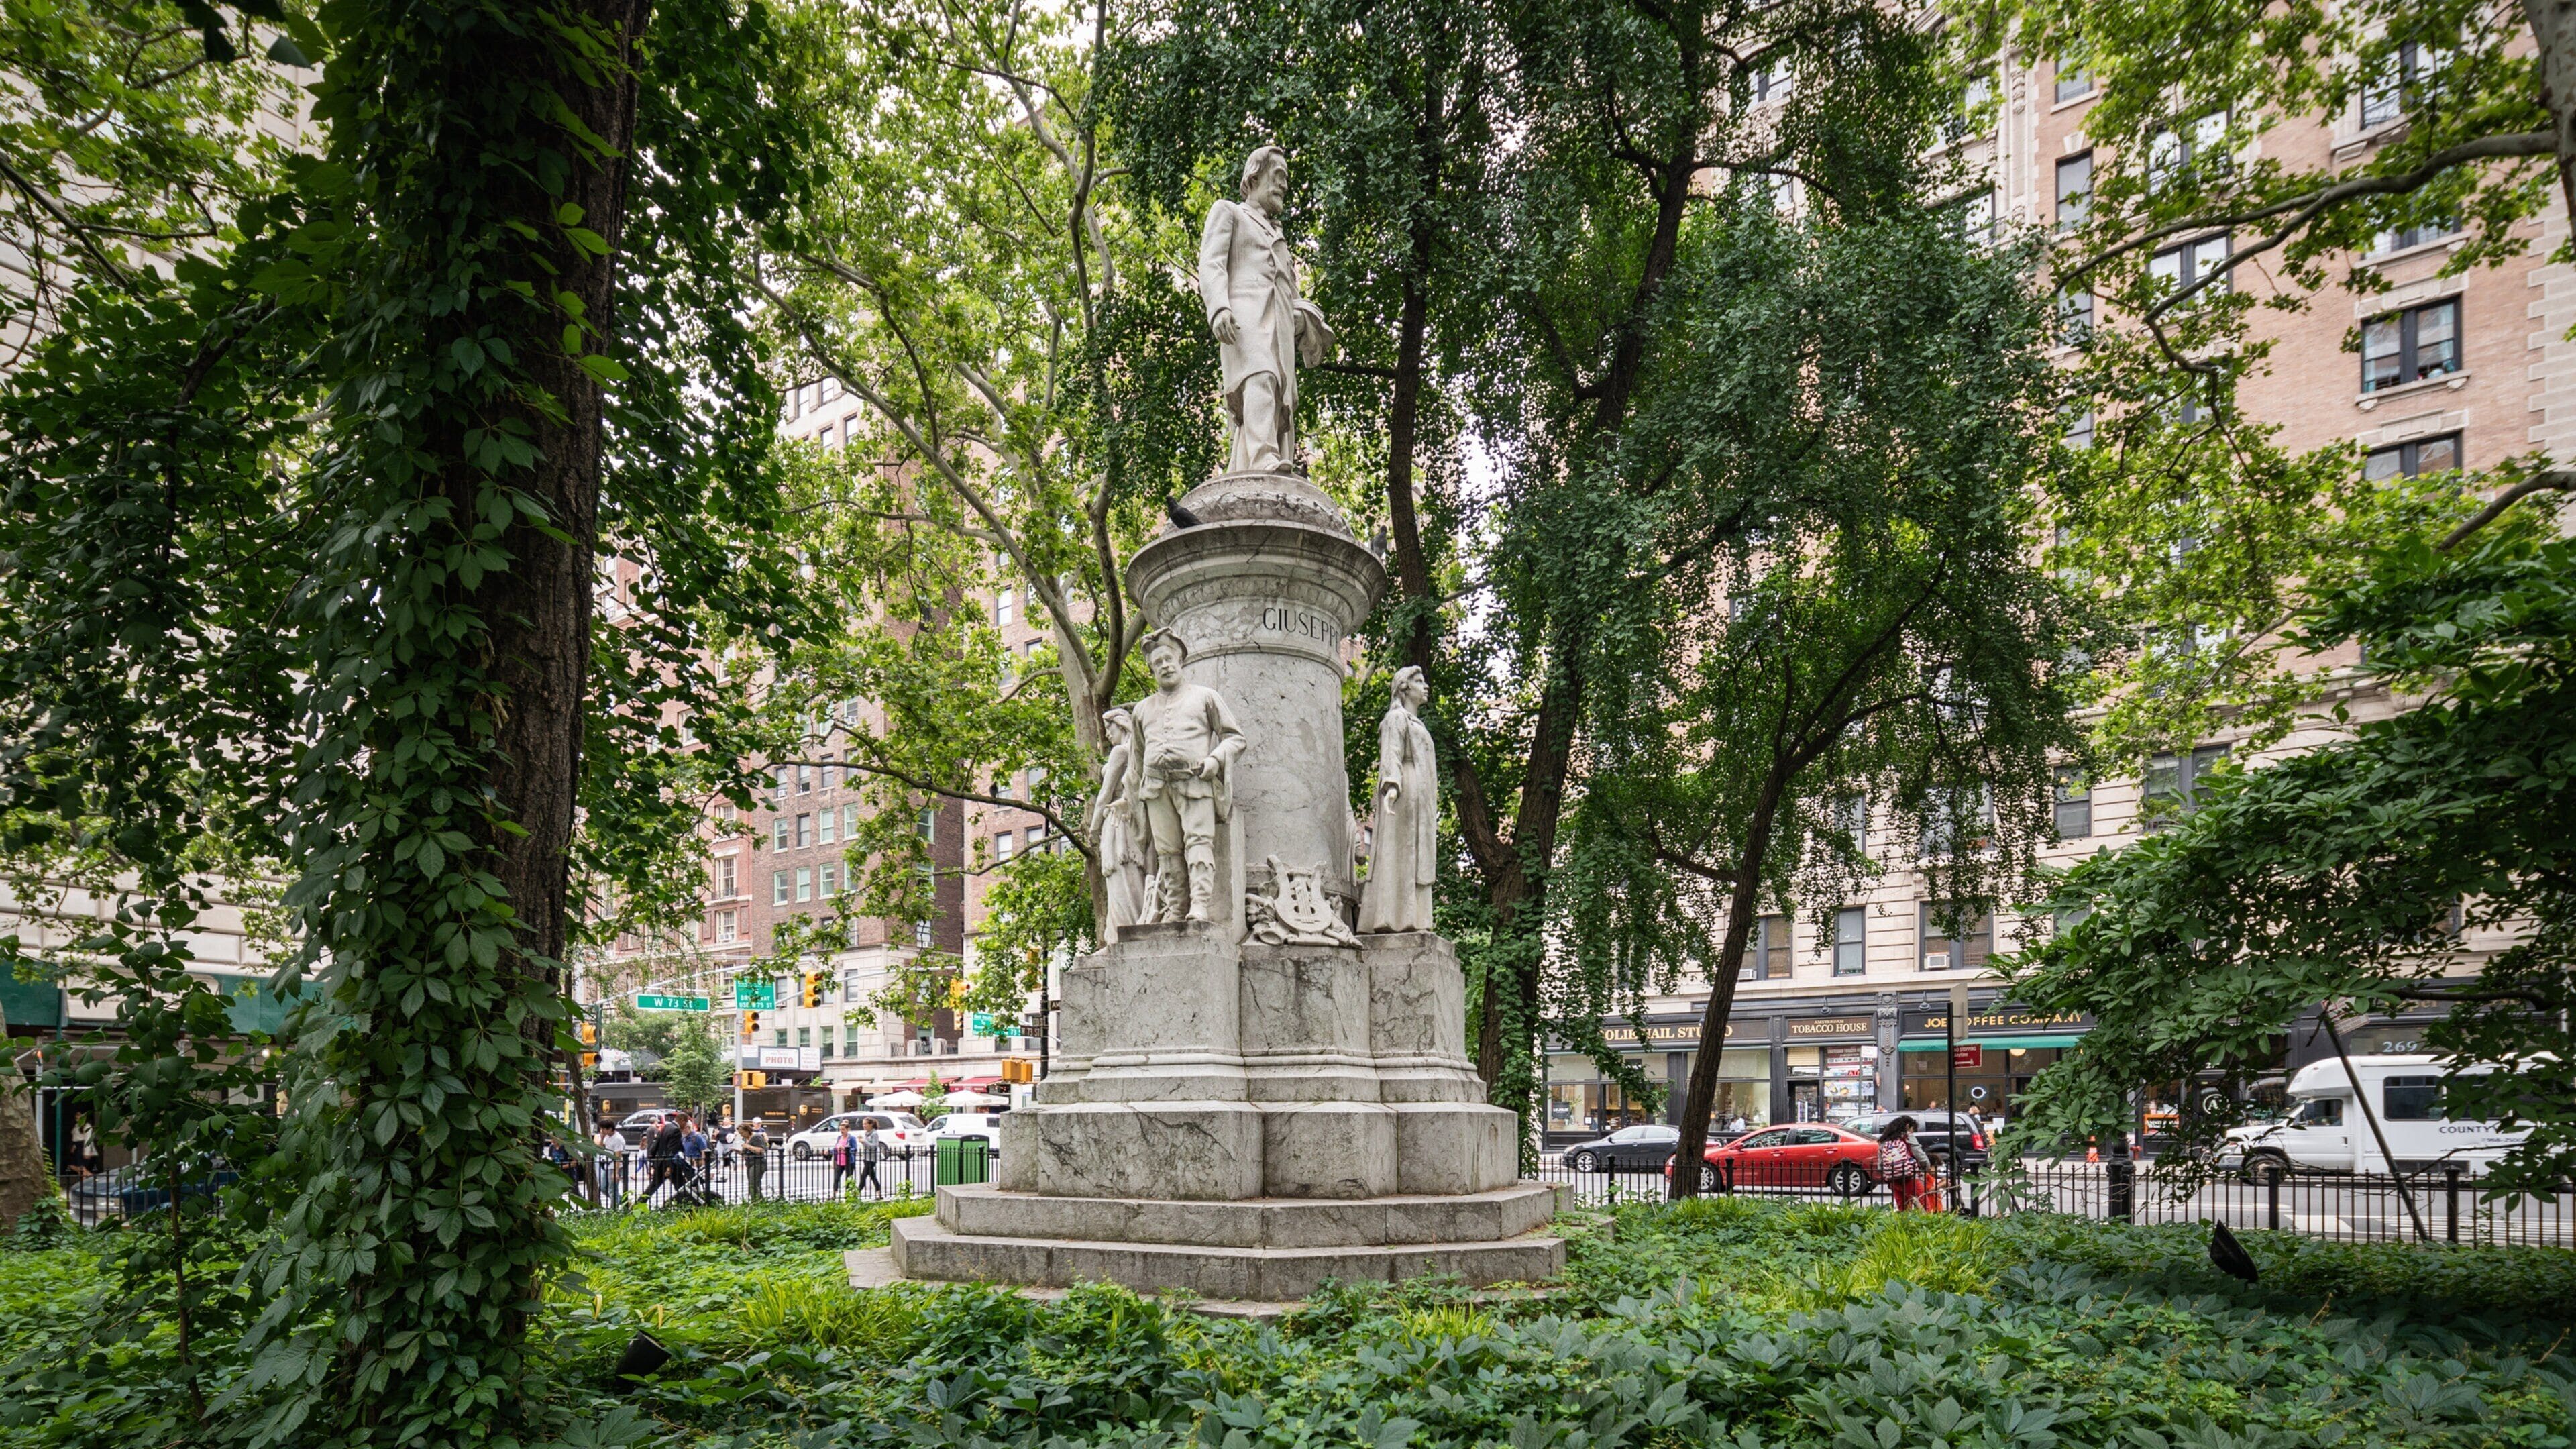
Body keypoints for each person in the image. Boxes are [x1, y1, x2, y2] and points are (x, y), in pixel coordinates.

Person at [1877, 1115, 1935, 1212]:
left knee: (1903, 1209)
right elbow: (1919, 1153)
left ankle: (1906, 1226)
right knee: (1925, 1207)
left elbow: (1880, 1165)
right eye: (1913, 1129)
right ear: (1908, 1126)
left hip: (1894, 1180)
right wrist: (1927, 1166)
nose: (1912, 1132)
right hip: (1910, 1178)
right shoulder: (1907, 1137)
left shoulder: (1884, 1142)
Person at [596, 1124, 627, 1208]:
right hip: (607, 1165)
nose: (602, 1131)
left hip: (613, 1166)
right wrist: (602, 1138)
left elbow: (618, 1156)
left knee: (612, 1190)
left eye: (603, 1129)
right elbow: (600, 1148)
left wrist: (616, 1172)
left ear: (610, 1129)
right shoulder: (607, 1136)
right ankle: (623, 1202)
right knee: (603, 1188)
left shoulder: (618, 1139)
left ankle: (614, 1209)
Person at [743, 1119, 770, 1203]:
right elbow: (744, 1152)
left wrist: (748, 1147)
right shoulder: (746, 1139)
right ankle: (760, 1201)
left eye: (742, 1133)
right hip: (749, 1162)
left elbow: (762, 1150)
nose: (741, 1135)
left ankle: (756, 1202)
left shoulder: (757, 1136)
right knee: (753, 1184)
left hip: (757, 1163)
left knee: (753, 1184)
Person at [856, 1126, 885, 1199]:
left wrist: (864, 1141)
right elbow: (867, 1146)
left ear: (871, 1125)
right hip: (866, 1158)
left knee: (863, 1176)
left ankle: (856, 1194)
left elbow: (874, 1147)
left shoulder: (874, 1134)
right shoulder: (866, 1134)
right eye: (863, 1124)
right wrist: (862, 1141)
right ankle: (879, 1193)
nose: (864, 1126)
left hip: (872, 1159)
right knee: (872, 1176)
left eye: (866, 1124)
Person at [830, 1123, 857, 1197]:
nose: (841, 1131)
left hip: (848, 1162)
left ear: (847, 1129)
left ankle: (847, 1195)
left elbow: (854, 1150)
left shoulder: (851, 1138)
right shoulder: (839, 1137)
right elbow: (836, 1147)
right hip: (839, 1161)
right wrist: (830, 1151)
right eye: (840, 1130)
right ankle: (834, 1195)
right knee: (836, 1178)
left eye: (843, 1130)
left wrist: (846, 1149)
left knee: (848, 1179)